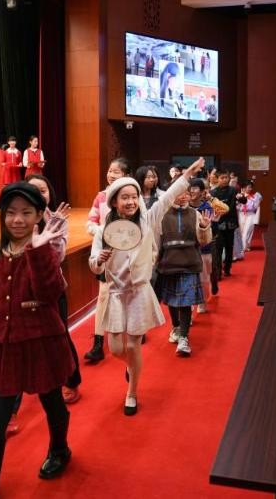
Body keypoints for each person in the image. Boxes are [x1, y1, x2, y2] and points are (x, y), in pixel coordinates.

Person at [0, 183, 74, 497]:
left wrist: (38, 250)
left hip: (41, 342)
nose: (17, 220)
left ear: (38, 216)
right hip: (5, 346)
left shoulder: (45, 252)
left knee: (52, 403)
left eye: (26, 213)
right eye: (11, 213)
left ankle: (60, 450)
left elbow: (50, 293)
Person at [89, 157, 205, 415]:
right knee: (116, 349)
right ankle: (131, 367)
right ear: (114, 202)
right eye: (125, 198)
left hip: (139, 292)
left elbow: (167, 198)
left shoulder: (147, 220)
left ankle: (132, 392)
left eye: (134, 197)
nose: (131, 202)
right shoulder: (103, 231)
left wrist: (187, 174)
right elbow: (93, 265)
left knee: (133, 346)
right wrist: (99, 260)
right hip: (116, 294)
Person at [26, 174, 81, 404]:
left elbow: (58, 258)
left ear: (50, 193)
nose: (39, 194)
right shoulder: (18, 218)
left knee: (60, 335)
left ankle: (71, 380)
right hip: (24, 289)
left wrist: (51, 235)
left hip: (52, 288)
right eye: (33, 190)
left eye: (43, 190)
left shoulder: (56, 218)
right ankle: (13, 401)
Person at [84, 158, 132, 363]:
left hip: (129, 258)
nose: (111, 175)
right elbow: (90, 222)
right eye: (110, 171)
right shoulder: (101, 197)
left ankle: (133, 332)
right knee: (103, 297)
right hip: (107, 255)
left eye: (116, 172)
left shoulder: (133, 197)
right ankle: (98, 343)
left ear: (126, 175)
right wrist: (103, 232)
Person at [155, 185, 212, 356]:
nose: (184, 196)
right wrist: (154, 261)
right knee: (172, 300)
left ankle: (184, 338)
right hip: (168, 264)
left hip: (189, 263)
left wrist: (204, 227)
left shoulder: (195, 214)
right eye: (179, 193)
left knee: (186, 302)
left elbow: (204, 241)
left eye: (186, 193)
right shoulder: (162, 214)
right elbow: (156, 242)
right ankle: (176, 327)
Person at [189, 178, 228, 308]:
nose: (191, 191)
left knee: (204, 278)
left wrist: (214, 222)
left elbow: (213, 231)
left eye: (194, 188)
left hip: (204, 248)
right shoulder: (184, 207)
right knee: (189, 279)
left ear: (202, 192)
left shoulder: (207, 207)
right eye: (189, 188)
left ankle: (202, 301)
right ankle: (189, 304)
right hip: (188, 249)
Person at [210, 169, 242, 277]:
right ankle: (218, 271)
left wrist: (241, 198)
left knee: (229, 247)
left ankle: (227, 268)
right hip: (218, 224)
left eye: (226, 177)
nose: (224, 180)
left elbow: (242, 201)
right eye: (222, 178)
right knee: (218, 249)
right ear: (217, 179)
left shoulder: (233, 190)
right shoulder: (213, 193)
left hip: (230, 223)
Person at [239, 181, 262, 252]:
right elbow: (237, 206)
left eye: (251, 187)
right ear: (243, 188)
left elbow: (255, 207)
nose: (250, 189)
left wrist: (256, 201)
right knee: (241, 231)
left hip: (250, 215)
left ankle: (243, 247)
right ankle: (245, 246)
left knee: (248, 231)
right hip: (241, 214)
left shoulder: (255, 197)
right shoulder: (239, 196)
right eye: (249, 187)